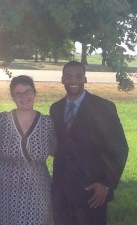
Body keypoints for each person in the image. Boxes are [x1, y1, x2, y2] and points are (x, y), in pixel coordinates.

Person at [50, 61, 128, 225]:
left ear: (85, 79)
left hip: (92, 191)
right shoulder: (55, 109)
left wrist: (106, 184)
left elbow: (120, 149)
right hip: (62, 191)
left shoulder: (103, 107)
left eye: (79, 76)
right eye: (69, 76)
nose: (74, 81)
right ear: (62, 79)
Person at [0, 75, 56, 225]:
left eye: (28, 91)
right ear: (12, 96)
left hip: (36, 192)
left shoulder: (47, 123)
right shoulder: (2, 120)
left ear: (34, 92)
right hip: (3, 190)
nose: (24, 97)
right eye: (18, 93)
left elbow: (57, 152)